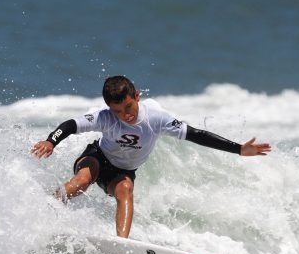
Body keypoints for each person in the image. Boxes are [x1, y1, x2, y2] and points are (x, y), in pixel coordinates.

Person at [31, 75, 271, 238]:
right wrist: (51, 140)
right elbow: (72, 124)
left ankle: (122, 246)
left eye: (128, 107)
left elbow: (196, 135)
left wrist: (239, 149)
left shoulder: (156, 118)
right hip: (97, 156)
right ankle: (43, 208)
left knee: (125, 190)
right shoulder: (104, 117)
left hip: (123, 170)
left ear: (137, 96)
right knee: (83, 180)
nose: (124, 115)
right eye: (117, 111)